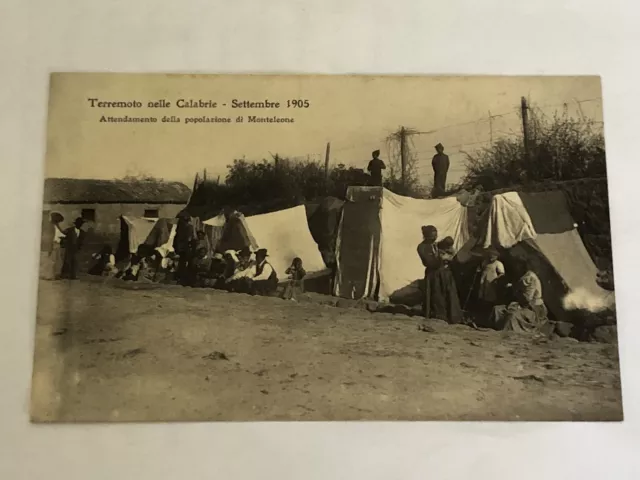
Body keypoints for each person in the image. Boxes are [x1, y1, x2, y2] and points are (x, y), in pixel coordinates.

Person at [488, 257, 548, 334]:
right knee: (497, 309)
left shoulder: (530, 278)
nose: (516, 268)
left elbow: (527, 298)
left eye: (518, 266)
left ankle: (508, 331)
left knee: (512, 315)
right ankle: (496, 327)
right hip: (524, 304)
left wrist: (516, 294)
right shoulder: (524, 276)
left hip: (533, 308)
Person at [417, 226, 463, 324]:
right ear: (426, 236)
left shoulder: (437, 245)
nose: (435, 237)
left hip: (446, 273)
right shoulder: (422, 247)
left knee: (450, 294)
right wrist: (442, 258)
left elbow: (448, 246)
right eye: (432, 236)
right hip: (434, 274)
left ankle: (454, 317)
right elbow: (429, 262)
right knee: (437, 295)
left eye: (436, 235)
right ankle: (440, 316)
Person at [43, 212, 66, 280]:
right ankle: (49, 276)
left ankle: (56, 274)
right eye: (58, 220)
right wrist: (50, 246)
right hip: (52, 244)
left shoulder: (56, 226)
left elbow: (60, 233)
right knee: (52, 261)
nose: (59, 222)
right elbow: (49, 236)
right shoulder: (50, 226)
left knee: (58, 261)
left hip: (57, 244)